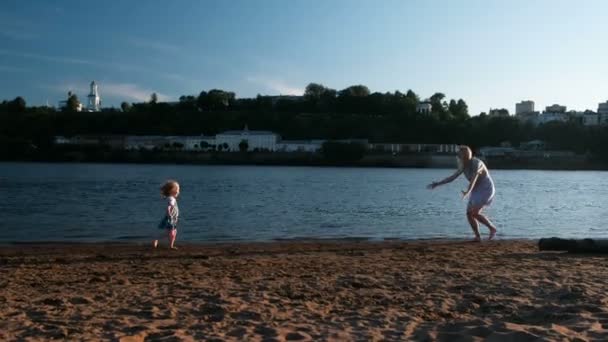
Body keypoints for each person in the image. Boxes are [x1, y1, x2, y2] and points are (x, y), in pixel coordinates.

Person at [427, 146, 497, 242]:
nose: (459, 156)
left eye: (461, 154)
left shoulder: (477, 163)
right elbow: (453, 177)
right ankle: (477, 237)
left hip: (485, 188)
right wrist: (438, 184)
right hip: (476, 189)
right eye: (459, 154)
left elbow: (474, 179)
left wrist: (468, 191)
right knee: (469, 214)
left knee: (474, 213)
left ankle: (492, 228)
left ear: (466, 155)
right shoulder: (463, 165)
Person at [154, 180, 180, 249]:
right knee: (171, 232)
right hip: (170, 218)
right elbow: (169, 207)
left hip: (173, 218)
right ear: (172, 191)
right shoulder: (172, 199)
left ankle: (169, 245)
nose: (178, 192)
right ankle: (158, 239)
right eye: (177, 190)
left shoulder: (171, 198)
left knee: (173, 232)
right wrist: (169, 214)